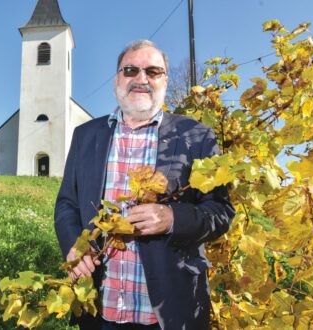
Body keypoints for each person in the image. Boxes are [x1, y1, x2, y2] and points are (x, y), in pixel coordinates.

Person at [54, 40, 235, 330]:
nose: (141, 79)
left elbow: (221, 211)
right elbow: (67, 203)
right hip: (100, 309)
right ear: (117, 79)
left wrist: (174, 218)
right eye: (130, 70)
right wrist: (74, 245)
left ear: (165, 79)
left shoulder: (196, 136)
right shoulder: (86, 135)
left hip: (170, 311)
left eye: (153, 71)